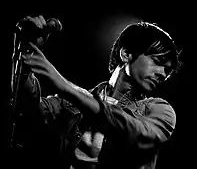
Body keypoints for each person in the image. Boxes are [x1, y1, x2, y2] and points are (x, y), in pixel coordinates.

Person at [17, 15, 182, 169]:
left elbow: (133, 131)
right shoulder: (70, 102)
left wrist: (64, 86)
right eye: (157, 61)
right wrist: (25, 58)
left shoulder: (159, 110)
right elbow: (28, 112)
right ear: (125, 54)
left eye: (167, 70)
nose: (162, 73)